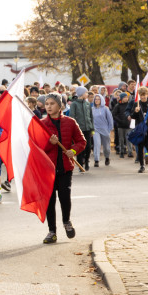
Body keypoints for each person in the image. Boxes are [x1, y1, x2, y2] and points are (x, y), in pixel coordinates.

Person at [39, 93, 86, 243]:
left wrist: (73, 151)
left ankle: (67, 221)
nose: (49, 106)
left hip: (65, 167)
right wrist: (50, 143)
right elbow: (37, 147)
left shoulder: (70, 122)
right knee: (50, 200)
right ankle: (51, 231)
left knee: (64, 197)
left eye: (52, 103)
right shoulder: (41, 124)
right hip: (48, 169)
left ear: (60, 106)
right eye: (47, 104)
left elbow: (81, 141)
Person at [66, 86, 94, 170]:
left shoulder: (87, 104)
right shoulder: (74, 104)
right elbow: (72, 117)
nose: (87, 94)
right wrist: (73, 129)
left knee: (88, 147)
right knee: (80, 147)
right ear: (81, 93)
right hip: (79, 130)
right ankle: (80, 164)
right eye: (86, 92)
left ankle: (86, 161)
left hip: (88, 129)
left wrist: (92, 128)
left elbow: (91, 117)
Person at [130, 86, 148, 173]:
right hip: (140, 129)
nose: (143, 97)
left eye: (144, 95)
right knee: (140, 147)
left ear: (147, 94)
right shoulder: (136, 104)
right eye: (141, 95)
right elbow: (132, 117)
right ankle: (142, 165)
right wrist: (135, 111)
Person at [91, 93, 113, 167]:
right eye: (95, 99)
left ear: (101, 100)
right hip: (95, 129)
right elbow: (90, 120)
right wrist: (91, 130)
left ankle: (107, 157)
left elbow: (110, 119)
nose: (97, 100)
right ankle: (96, 160)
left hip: (105, 129)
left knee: (106, 146)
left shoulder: (105, 109)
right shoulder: (92, 109)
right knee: (97, 144)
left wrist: (110, 129)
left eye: (98, 99)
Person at [113, 90, 131, 159]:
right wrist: (119, 121)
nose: (126, 98)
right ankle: (121, 152)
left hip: (128, 125)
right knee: (121, 139)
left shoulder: (130, 105)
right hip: (120, 125)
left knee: (128, 139)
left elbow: (131, 113)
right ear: (121, 98)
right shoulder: (118, 106)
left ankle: (130, 152)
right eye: (124, 97)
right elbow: (114, 115)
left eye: (127, 97)